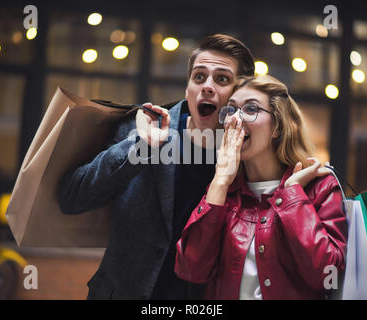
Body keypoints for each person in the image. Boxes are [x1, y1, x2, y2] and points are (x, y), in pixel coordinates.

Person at [57, 34, 255, 299]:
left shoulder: (248, 154)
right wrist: (140, 147)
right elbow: (72, 198)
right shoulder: (142, 129)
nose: (207, 86)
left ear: (239, 97)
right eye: (199, 77)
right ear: (188, 89)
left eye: (222, 79)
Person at [175, 75, 348, 300]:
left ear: (277, 126)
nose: (235, 119)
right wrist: (220, 180)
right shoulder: (223, 192)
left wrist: (292, 193)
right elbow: (191, 269)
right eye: (231, 110)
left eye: (250, 109)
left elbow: (326, 277)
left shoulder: (319, 188)